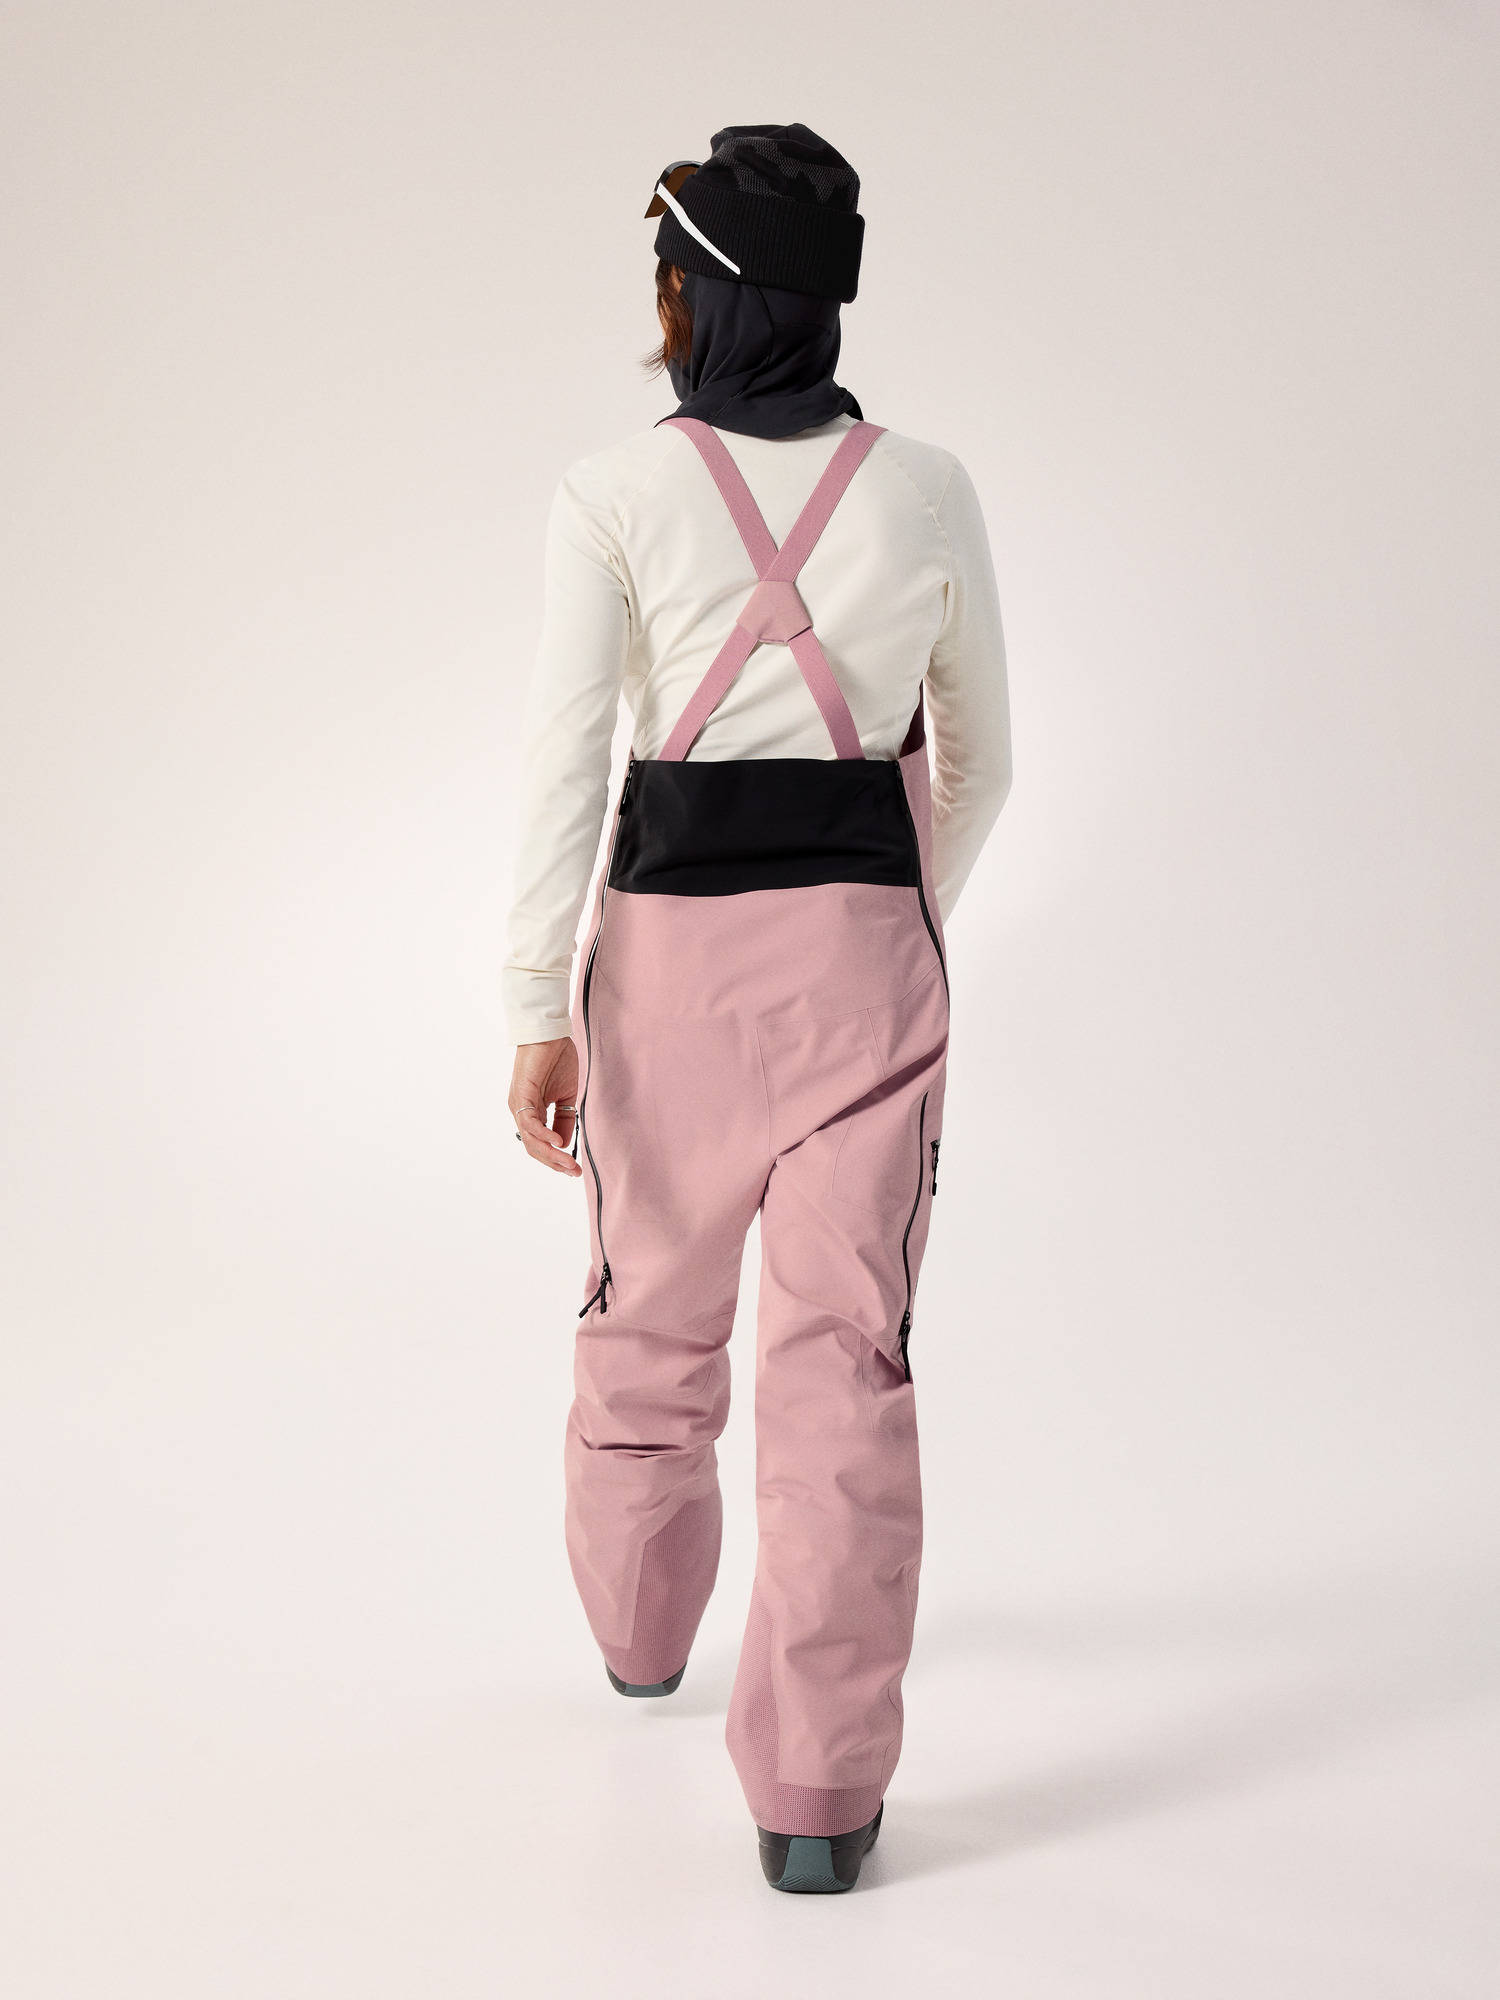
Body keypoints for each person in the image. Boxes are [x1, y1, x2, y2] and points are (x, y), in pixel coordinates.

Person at [504, 123, 1011, 1893]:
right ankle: (816, 1803)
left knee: (647, 1318)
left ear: (691, 296)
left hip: (666, 974)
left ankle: (642, 1635)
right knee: (844, 1370)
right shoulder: (928, 486)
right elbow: (984, 762)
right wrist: (890, 923)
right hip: (866, 972)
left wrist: (536, 1003)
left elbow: (570, 760)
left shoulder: (612, 495)